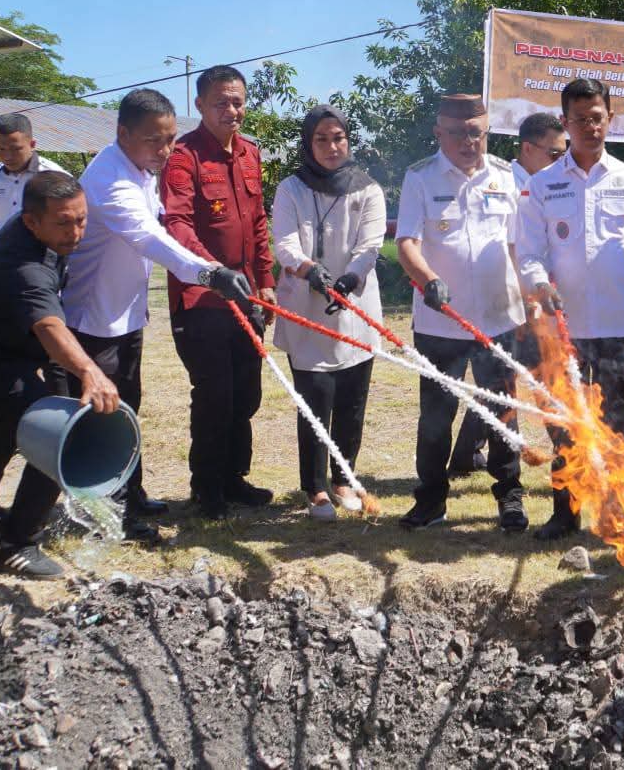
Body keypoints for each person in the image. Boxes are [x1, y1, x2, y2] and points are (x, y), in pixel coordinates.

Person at [65, 88, 253, 534]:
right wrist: (209, 272)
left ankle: (129, 495)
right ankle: (106, 516)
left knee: (127, 408)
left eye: (170, 139)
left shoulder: (141, 168)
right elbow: (150, 237)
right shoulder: (109, 179)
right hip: (93, 321)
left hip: (126, 317)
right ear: (123, 133)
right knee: (100, 416)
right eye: (155, 140)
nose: (166, 150)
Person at [0, 172, 121, 578]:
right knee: (57, 434)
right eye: (63, 223)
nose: (75, 232)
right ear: (31, 222)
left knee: (7, 429)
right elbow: (49, 327)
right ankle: (16, 544)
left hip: (10, 350)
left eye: (81, 220)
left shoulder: (37, 232)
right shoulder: (26, 267)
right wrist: (90, 372)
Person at [519, 78, 624, 540]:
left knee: (615, 425)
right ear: (565, 123)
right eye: (579, 119)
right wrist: (541, 286)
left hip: (619, 326)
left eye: (597, 117)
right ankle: (566, 513)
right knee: (563, 422)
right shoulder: (542, 185)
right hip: (561, 329)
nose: (589, 127)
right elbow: (527, 253)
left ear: (610, 119)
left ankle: (616, 515)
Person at [394, 93, 528, 532]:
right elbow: (407, 243)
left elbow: (518, 246)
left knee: (503, 411)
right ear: (439, 134)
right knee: (436, 416)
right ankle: (431, 500)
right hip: (441, 321)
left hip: (500, 317)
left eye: (477, 132)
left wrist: (533, 295)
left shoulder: (507, 176)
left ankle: (510, 497)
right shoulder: (420, 177)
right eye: (458, 133)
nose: (469, 141)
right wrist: (427, 278)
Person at [160, 65, 278, 519]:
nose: (232, 110)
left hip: (247, 296)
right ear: (200, 106)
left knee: (247, 394)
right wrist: (210, 272)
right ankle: (206, 488)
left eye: (237, 101)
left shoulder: (250, 153)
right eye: (221, 103)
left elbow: (258, 223)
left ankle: (234, 479)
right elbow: (177, 225)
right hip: (202, 300)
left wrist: (266, 281)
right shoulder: (183, 157)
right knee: (215, 396)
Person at [271, 105, 387, 520]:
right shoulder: (291, 189)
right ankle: (316, 487)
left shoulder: (367, 189)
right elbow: (284, 243)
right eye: (321, 138)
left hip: (354, 308)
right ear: (308, 143)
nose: (331, 146)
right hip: (307, 306)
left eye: (338, 137)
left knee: (353, 399)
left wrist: (349, 280)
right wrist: (311, 272)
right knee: (316, 399)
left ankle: (343, 478)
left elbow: (370, 246)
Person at [448, 112, 567, 478]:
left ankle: (467, 453)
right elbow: (505, 249)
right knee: (538, 378)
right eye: (554, 154)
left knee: (504, 381)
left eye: (565, 154)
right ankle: (567, 453)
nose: (562, 161)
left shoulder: (551, 183)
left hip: (538, 296)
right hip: (510, 301)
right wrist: (526, 299)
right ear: (528, 148)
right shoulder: (505, 183)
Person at [0, 114, 66, 233]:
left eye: (15, 149)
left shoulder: (54, 176)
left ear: (32, 145)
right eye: (1, 149)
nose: (7, 156)